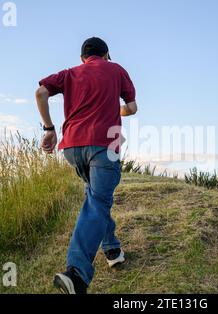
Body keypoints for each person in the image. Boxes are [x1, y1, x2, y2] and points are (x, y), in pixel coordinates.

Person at [35, 37, 137, 294]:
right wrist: (116, 108)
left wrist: (49, 128)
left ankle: (112, 249)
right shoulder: (116, 70)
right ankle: (76, 273)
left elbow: (40, 92)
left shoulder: (70, 74)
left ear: (83, 58)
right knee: (98, 202)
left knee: (96, 198)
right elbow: (132, 108)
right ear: (107, 55)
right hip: (105, 146)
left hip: (72, 147)